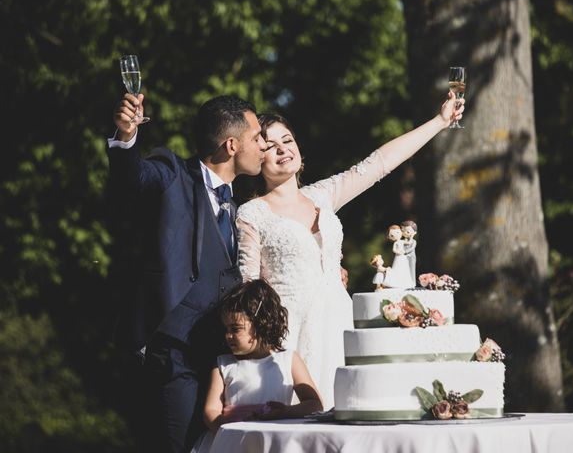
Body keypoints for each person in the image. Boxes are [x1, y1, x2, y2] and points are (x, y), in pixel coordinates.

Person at [235, 92, 464, 407]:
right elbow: (247, 288)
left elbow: (378, 163)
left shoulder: (323, 196)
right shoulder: (251, 214)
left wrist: (440, 121)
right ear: (257, 159)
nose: (282, 149)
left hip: (338, 323)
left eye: (287, 140)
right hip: (286, 333)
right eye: (270, 145)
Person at [107, 92, 266, 453]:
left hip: (225, 360)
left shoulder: (242, 210)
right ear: (231, 144)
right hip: (174, 357)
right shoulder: (172, 175)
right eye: (256, 137)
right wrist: (126, 138)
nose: (263, 145)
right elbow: (133, 177)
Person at [191, 279, 322, 451]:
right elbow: (211, 409)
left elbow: (314, 403)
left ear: (261, 324)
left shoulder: (288, 360)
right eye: (226, 329)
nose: (228, 336)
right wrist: (226, 431)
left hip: (273, 441)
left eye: (235, 329)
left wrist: (284, 412)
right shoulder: (223, 364)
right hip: (232, 442)